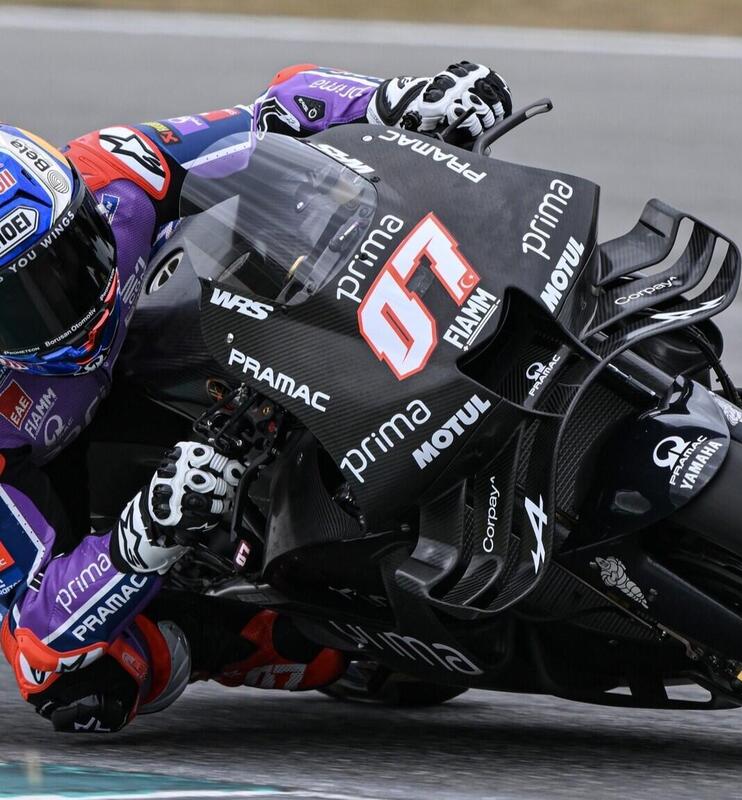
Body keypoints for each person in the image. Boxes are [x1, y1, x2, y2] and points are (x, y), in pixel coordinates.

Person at [0, 61, 512, 733]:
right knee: (82, 684)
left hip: (167, 326)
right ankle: (327, 644)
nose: (67, 298)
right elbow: (34, 639)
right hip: (56, 488)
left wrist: (395, 101)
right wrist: (144, 533)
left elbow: (274, 111)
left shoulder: (110, 171)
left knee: (277, 192)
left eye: (73, 256)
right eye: (20, 304)